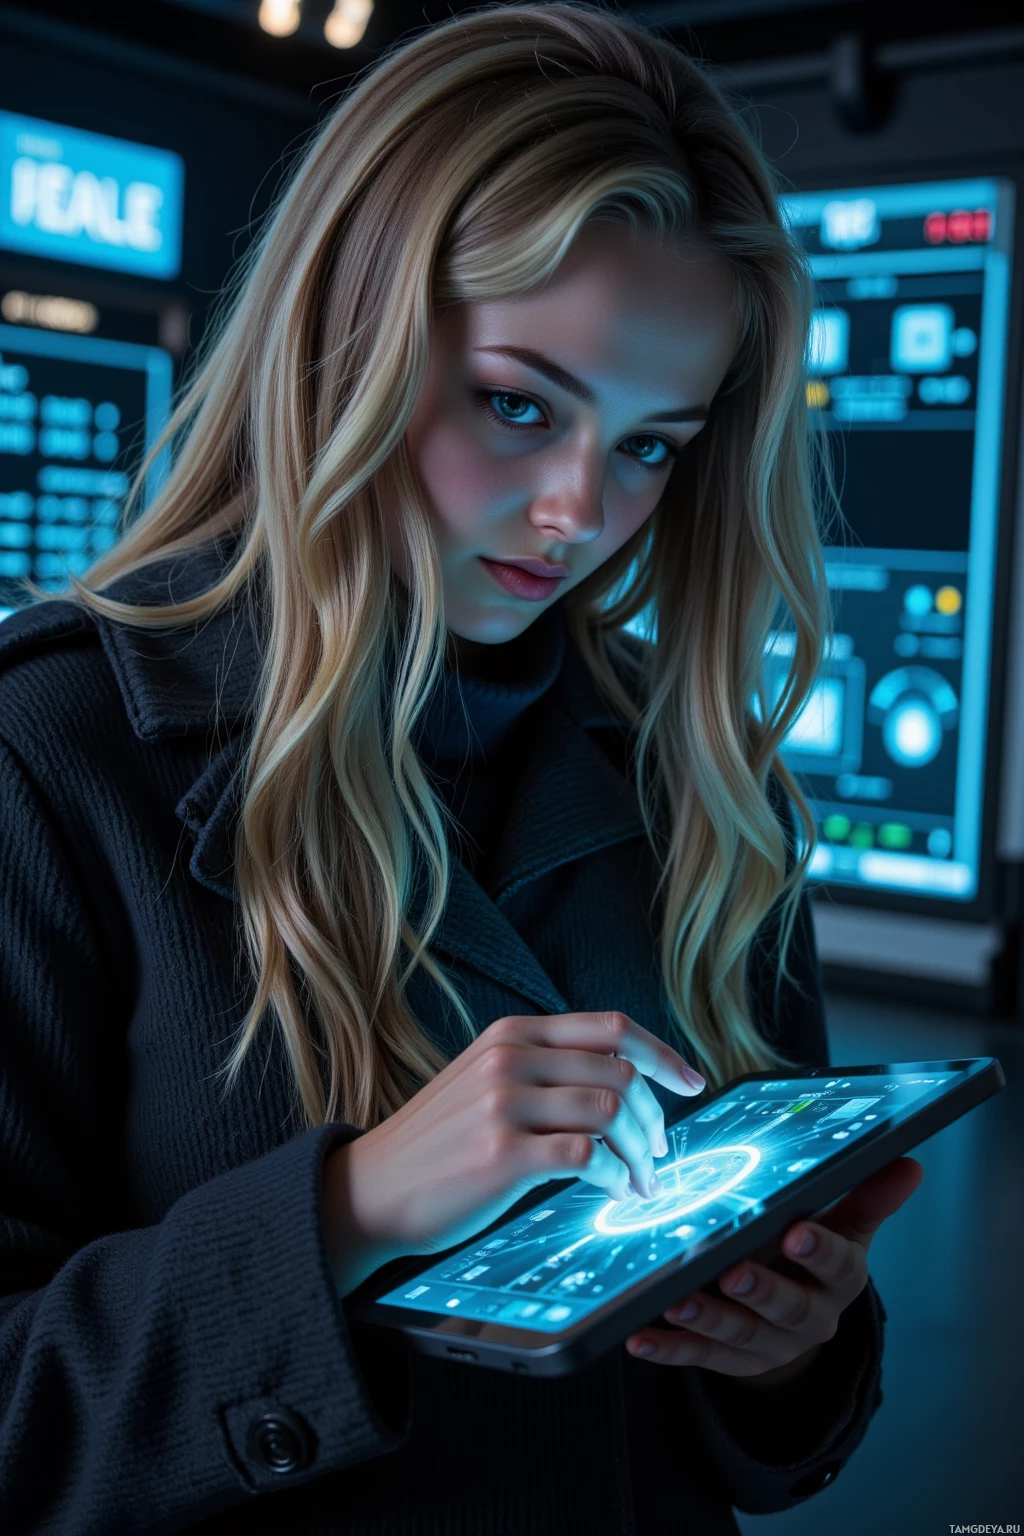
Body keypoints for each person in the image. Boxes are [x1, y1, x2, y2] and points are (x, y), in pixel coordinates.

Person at [0, 3, 923, 1532]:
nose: (578, 511)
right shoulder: (51, 749)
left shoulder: (707, 791)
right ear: (341, 342)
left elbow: (765, 1435)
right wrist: (350, 1211)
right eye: (517, 403)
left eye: (652, 446)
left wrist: (791, 1353)